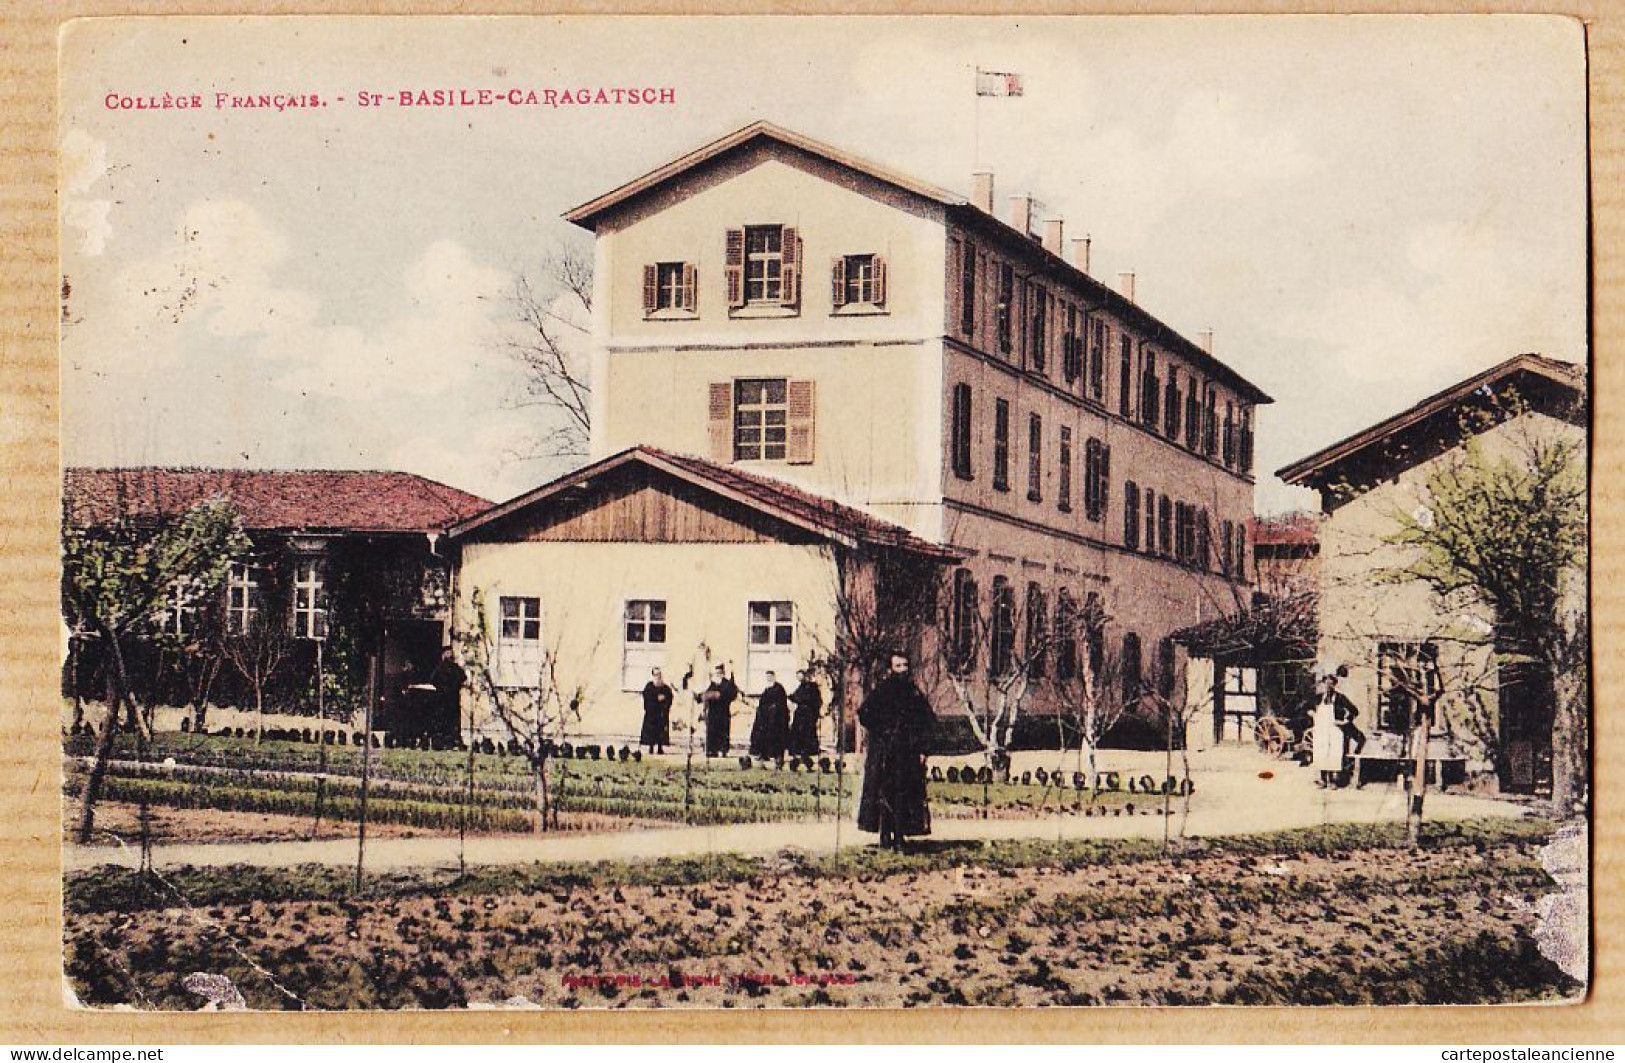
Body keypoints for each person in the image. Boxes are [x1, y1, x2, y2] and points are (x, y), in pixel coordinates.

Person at [856, 651, 935, 850]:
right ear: (890, 668)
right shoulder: (882, 691)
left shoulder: (914, 693)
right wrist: (882, 731)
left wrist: (923, 748)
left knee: (904, 794)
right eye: (898, 666)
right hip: (883, 752)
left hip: (906, 752)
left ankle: (900, 837)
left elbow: (926, 721)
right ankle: (884, 836)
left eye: (905, 665)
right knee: (883, 794)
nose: (902, 670)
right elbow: (865, 714)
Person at [698, 665, 739, 758]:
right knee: (712, 731)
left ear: (723, 673)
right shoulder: (712, 684)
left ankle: (723, 750)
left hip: (723, 711)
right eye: (716, 673)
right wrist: (704, 696)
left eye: (719, 673)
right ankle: (712, 750)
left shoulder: (727, 684)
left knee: (723, 731)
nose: (718, 675)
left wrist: (720, 695)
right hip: (712, 711)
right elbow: (705, 695)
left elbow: (732, 695)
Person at [748, 671, 790, 763]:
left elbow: (781, 703)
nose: (769, 678)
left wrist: (772, 709)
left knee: (775, 737)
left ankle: (777, 756)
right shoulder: (767, 689)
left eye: (770, 676)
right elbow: (763, 702)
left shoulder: (779, 688)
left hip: (776, 718)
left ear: (774, 677)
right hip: (765, 717)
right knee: (761, 735)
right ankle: (763, 755)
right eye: (767, 677)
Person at [427, 645, 466, 740]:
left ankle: (450, 736)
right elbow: (433, 680)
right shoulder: (440, 668)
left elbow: (463, 677)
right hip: (444, 696)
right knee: (444, 717)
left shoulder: (454, 668)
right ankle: (445, 736)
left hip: (451, 696)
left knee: (451, 717)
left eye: (450, 653)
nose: (450, 655)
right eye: (448, 653)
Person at [788, 669, 823, 758]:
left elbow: (815, 700)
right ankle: (798, 750)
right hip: (800, 712)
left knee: (808, 731)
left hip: (808, 713)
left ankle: (809, 750)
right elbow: (796, 697)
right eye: (798, 677)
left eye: (801, 676)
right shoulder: (800, 687)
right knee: (797, 730)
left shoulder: (812, 686)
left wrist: (815, 712)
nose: (799, 678)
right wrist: (792, 697)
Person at [639, 667, 674, 754]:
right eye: (656, 674)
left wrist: (665, 700)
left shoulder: (665, 688)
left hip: (661, 714)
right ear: (653, 675)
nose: (658, 676)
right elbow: (646, 698)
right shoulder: (649, 687)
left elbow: (669, 697)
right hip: (652, 714)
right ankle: (651, 747)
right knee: (651, 731)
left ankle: (660, 748)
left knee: (661, 731)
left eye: (659, 674)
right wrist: (656, 699)